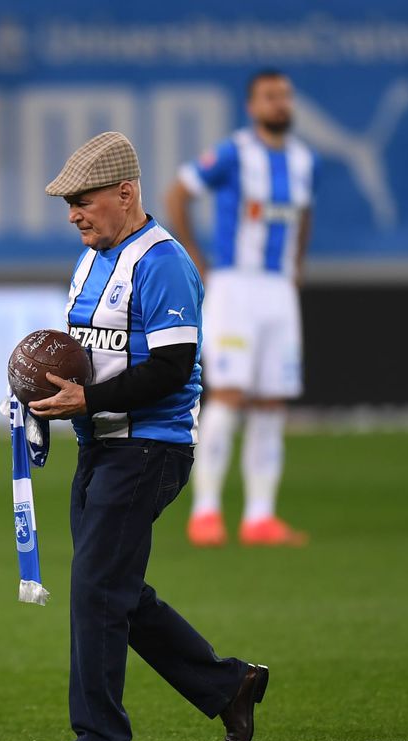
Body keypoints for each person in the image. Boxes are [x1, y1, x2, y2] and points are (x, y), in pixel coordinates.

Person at [29, 131, 267, 741]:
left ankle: (101, 738)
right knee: (115, 589)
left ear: (126, 193)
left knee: (96, 587)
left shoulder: (161, 262)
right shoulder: (90, 260)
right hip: (100, 448)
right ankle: (229, 684)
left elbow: (173, 367)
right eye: (69, 204)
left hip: (149, 448)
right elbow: (85, 358)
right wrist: (38, 395)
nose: (73, 215)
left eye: (83, 201)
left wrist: (86, 400)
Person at [165, 68, 315, 547]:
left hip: (278, 291)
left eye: (284, 96)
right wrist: (197, 259)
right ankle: (205, 513)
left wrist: (296, 265)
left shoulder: (302, 159)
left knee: (272, 400)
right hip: (234, 287)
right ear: (252, 107)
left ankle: (260, 517)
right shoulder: (233, 153)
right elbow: (178, 193)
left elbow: (304, 214)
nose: (280, 104)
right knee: (229, 394)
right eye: (270, 96)